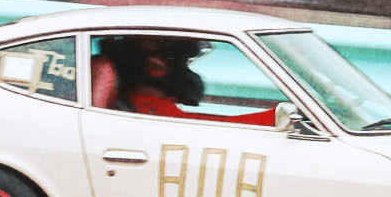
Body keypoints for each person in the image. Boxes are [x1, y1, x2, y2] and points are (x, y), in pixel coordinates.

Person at [99, 36, 276, 126]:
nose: (186, 72)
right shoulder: (149, 106)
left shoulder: (142, 103)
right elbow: (213, 128)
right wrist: (272, 117)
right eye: (184, 63)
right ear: (155, 67)